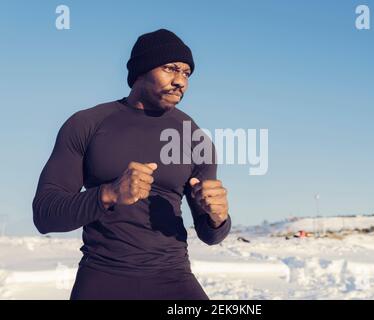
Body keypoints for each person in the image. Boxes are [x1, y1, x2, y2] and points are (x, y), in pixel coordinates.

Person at [32, 28, 232, 300]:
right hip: (102, 276)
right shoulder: (86, 124)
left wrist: (219, 219)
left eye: (186, 73)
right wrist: (109, 194)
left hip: (173, 276)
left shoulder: (195, 139)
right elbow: (45, 215)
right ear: (141, 70)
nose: (180, 81)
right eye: (171, 68)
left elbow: (210, 236)